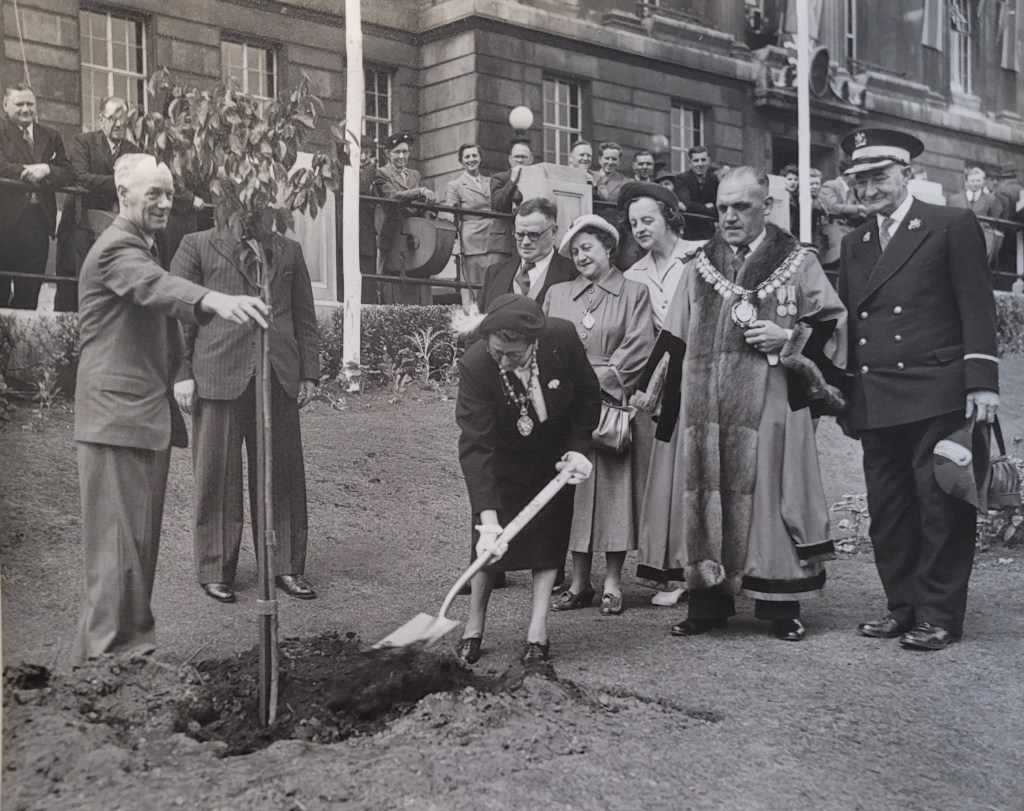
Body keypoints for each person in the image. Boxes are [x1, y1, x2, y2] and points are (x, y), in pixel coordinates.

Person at [632, 166, 848, 643]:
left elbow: (831, 323)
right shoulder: (698, 265)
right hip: (703, 405)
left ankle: (779, 606)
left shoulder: (797, 262)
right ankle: (708, 602)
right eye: (723, 207)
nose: (729, 216)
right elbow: (673, 337)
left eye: (741, 207)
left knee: (771, 496)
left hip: (768, 404)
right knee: (702, 494)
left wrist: (787, 337)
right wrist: (653, 395)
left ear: (765, 207)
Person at [71, 154, 270, 663]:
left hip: (138, 420)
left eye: (169, 193)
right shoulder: (118, 247)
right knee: (118, 552)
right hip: (116, 421)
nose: (164, 203)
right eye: (153, 193)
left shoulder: (143, 245)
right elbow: (154, 286)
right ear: (123, 195)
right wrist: (213, 300)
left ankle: (128, 654)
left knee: (134, 552)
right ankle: (108, 662)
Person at [837, 128, 999, 651]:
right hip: (877, 395)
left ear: (908, 174)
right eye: (860, 180)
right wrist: (843, 395)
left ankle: (939, 615)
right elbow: (849, 326)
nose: (870, 189)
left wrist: (982, 382)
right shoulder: (855, 241)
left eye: (879, 177)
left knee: (941, 507)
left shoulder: (949, 224)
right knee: (889, 511)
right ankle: (902, 608)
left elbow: (977, 304)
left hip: (940, 391)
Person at [171, 214, 320, 605]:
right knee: (216, 473)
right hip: (217, 372)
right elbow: (178, 315)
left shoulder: (289, 249)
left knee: (283, 473)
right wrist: (182, 372)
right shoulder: (197, 243)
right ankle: (216, 568)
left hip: (278, 371)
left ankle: (286, 564)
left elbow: (303, 313)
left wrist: (309, 373)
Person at [452, 294, 600, 664]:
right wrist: (487, 520)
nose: (503, 361)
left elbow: (587, 395)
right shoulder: (476, 364)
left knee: (547, 540)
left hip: (553, 459)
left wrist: (578, 448)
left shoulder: (562, 339)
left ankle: (537, 631)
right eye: (496, 351)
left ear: (533, 342)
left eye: (513, 355)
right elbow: (475, 445)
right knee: (487, 548)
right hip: (500, 458)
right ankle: (473, 628)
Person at [545, 215, 655, 617]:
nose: (580, 256)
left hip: (611, 407)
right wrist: (565, 388)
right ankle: (578, 582)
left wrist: (592, 384)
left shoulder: (634, 292)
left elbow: (640, 345)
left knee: (613, 495)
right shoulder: (557, 293)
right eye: (574, 251)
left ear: (608, 248)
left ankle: (611, 582)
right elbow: (543, 343)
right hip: (567, 410)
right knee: (573, 492)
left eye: (587, 247)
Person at [619, 182, 703, 607]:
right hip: (665, 386)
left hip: (706, 377)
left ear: (670, 215)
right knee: (667, 478)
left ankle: (708, 568)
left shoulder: (703, 255)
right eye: (634, 223)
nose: (640, 229)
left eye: (648, 219)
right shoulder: (633, 274)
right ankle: (675, 571)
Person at [55, 96, 141, 312]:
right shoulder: (83, 142)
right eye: (113, 118)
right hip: (79, 226)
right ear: (101, 120)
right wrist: (121, 182)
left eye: (123, 119)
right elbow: (82, 177)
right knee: (72, 287)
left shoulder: (134, 151)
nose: (119, 124)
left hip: (112, 230)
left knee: (107, 290)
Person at [0, 84, 73, 309]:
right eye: (19, 104)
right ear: (5, 105)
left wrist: (47, 170)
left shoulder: (50, 135)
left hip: (38, 226)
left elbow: (68, 171)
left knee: (29, 296)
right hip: (4, 225)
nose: (25, 109)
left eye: (29, 104)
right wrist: (27, 172)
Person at [477, 197, 577, 312]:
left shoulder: (573, 275)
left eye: (533, 235)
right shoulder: (494, 273)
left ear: (553, 232)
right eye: (519, 235)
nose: (525, 242)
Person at [445, 143, 500, 305]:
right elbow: (451, 218)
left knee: (493, 289)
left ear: (480, 158)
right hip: (471, 243)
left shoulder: (491, 182)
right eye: (467, 157)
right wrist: (456, 248)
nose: (471, 159)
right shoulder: (455, 185)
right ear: (461, 161)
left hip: (493, 241)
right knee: (473, 292)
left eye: (474, 155)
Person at [948, 166, 1003, 265]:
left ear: (983, 182)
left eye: (978, 180)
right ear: (966, 182)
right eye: (972, 181)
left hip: (981, 240)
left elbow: (994, 220)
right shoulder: (954, 199)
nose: (975, 183)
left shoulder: (991, 200)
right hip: (958, 239)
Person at [490, 139, 534, 258]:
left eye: (524, 157)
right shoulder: (499, 178)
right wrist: (512, 181)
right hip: (504, 242)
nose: (520, 160)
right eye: (516, 157)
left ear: (531, 160)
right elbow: (498, 204)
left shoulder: (537, 180)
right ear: (510, 159)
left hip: (530, 240)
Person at [673, 145, 718, 240]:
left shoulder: (713, 179)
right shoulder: (682, 179)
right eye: (696, 161)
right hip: (689, 231)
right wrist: (707, 207)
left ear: (709, 161)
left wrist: (711, 207)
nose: (700, 164)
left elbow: (719, 203)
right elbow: (688, 205)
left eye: (703, 160)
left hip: (709, 231)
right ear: (690, 163)